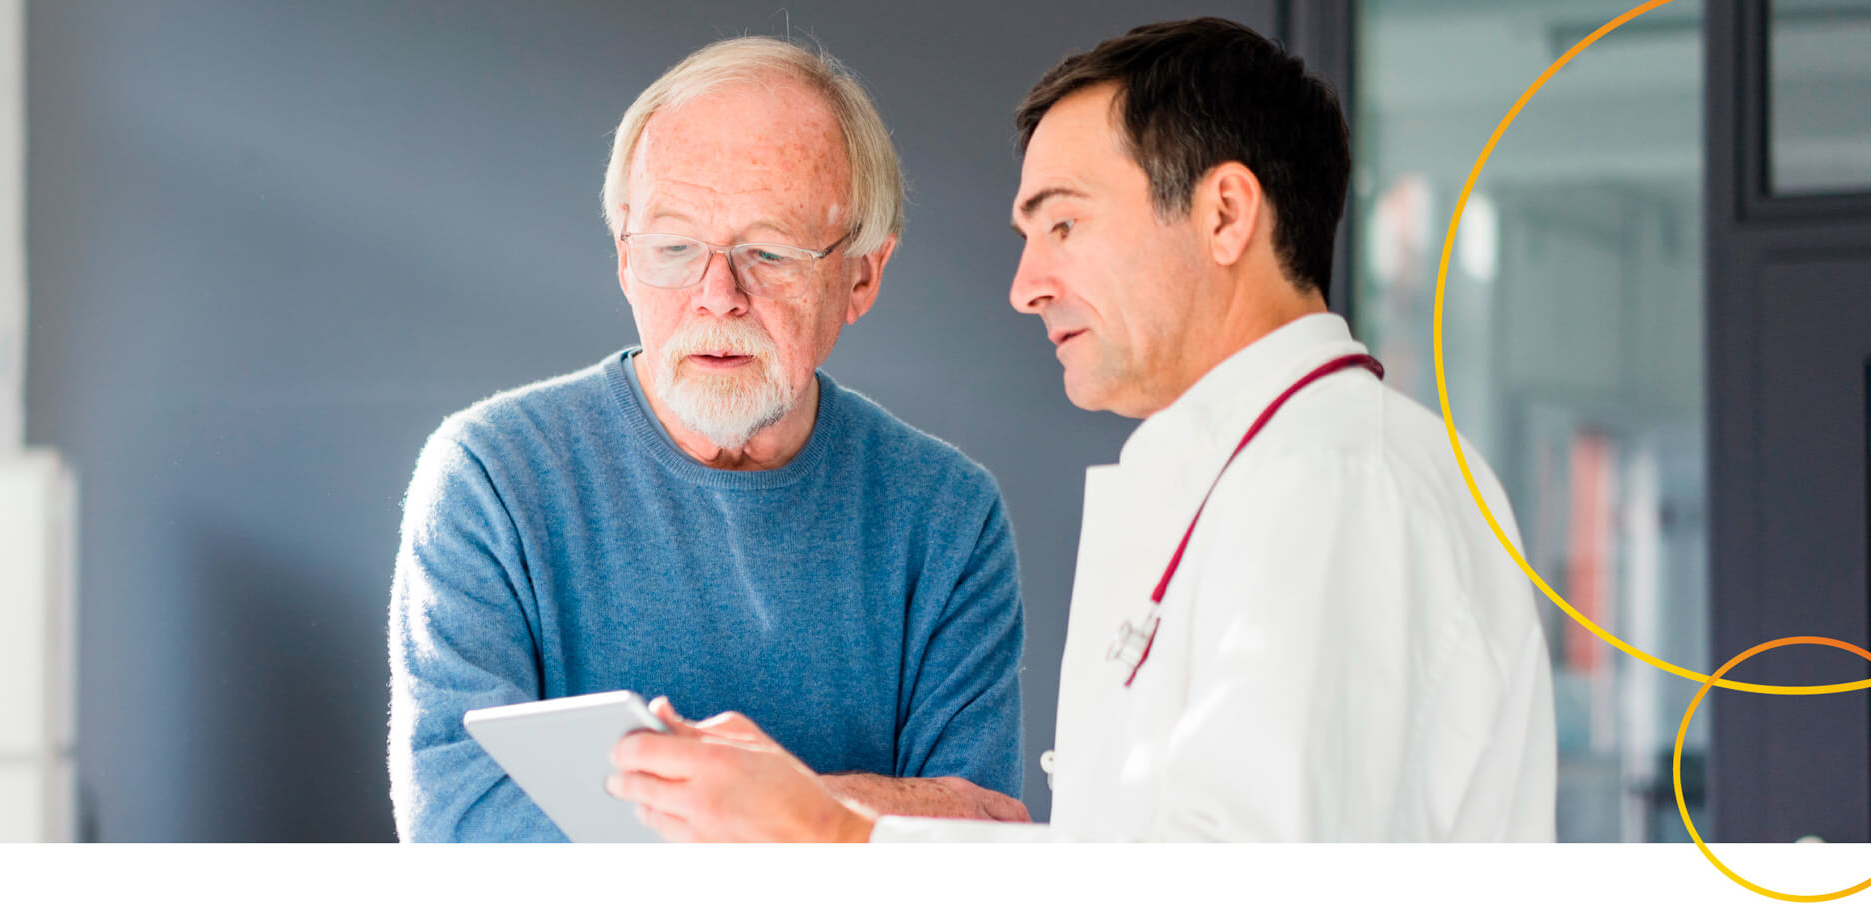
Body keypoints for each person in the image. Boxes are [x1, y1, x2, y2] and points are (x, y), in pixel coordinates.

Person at [607, 17, 1556, 843]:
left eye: (1062, 226)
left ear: (1224, 214)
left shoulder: (1341, 480)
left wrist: (823, 829)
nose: (1026, 287)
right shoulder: (1257, 473)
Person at [387, 36, 1029, 843]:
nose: (717, 294)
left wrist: (770, 807)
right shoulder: (490, 478)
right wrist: (808, 822)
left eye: (768, 249)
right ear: (626, 259)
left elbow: (985, 840)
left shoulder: (948, 516)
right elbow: (460, 825)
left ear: (861, 275)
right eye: (675, 247)